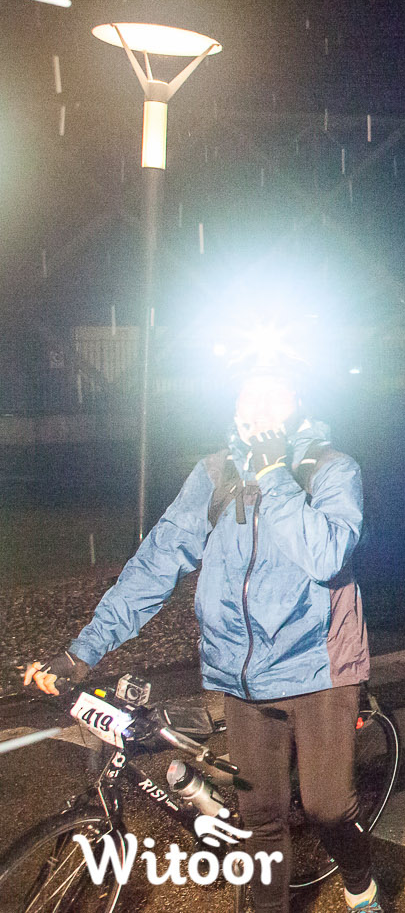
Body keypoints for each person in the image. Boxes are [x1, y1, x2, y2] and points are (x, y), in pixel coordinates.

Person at [23, 370, 383, 913]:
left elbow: (327, 555)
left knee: (328, 808)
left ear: (297, 403)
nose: (259, 407)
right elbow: (156, 563)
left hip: (319, 667)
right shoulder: (214, 475)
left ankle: (361, 885)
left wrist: (275, 475)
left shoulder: (331, 469)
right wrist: (83, 651)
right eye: (248, 395)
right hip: (241, 678)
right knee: (260, 820)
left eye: (273, 395)